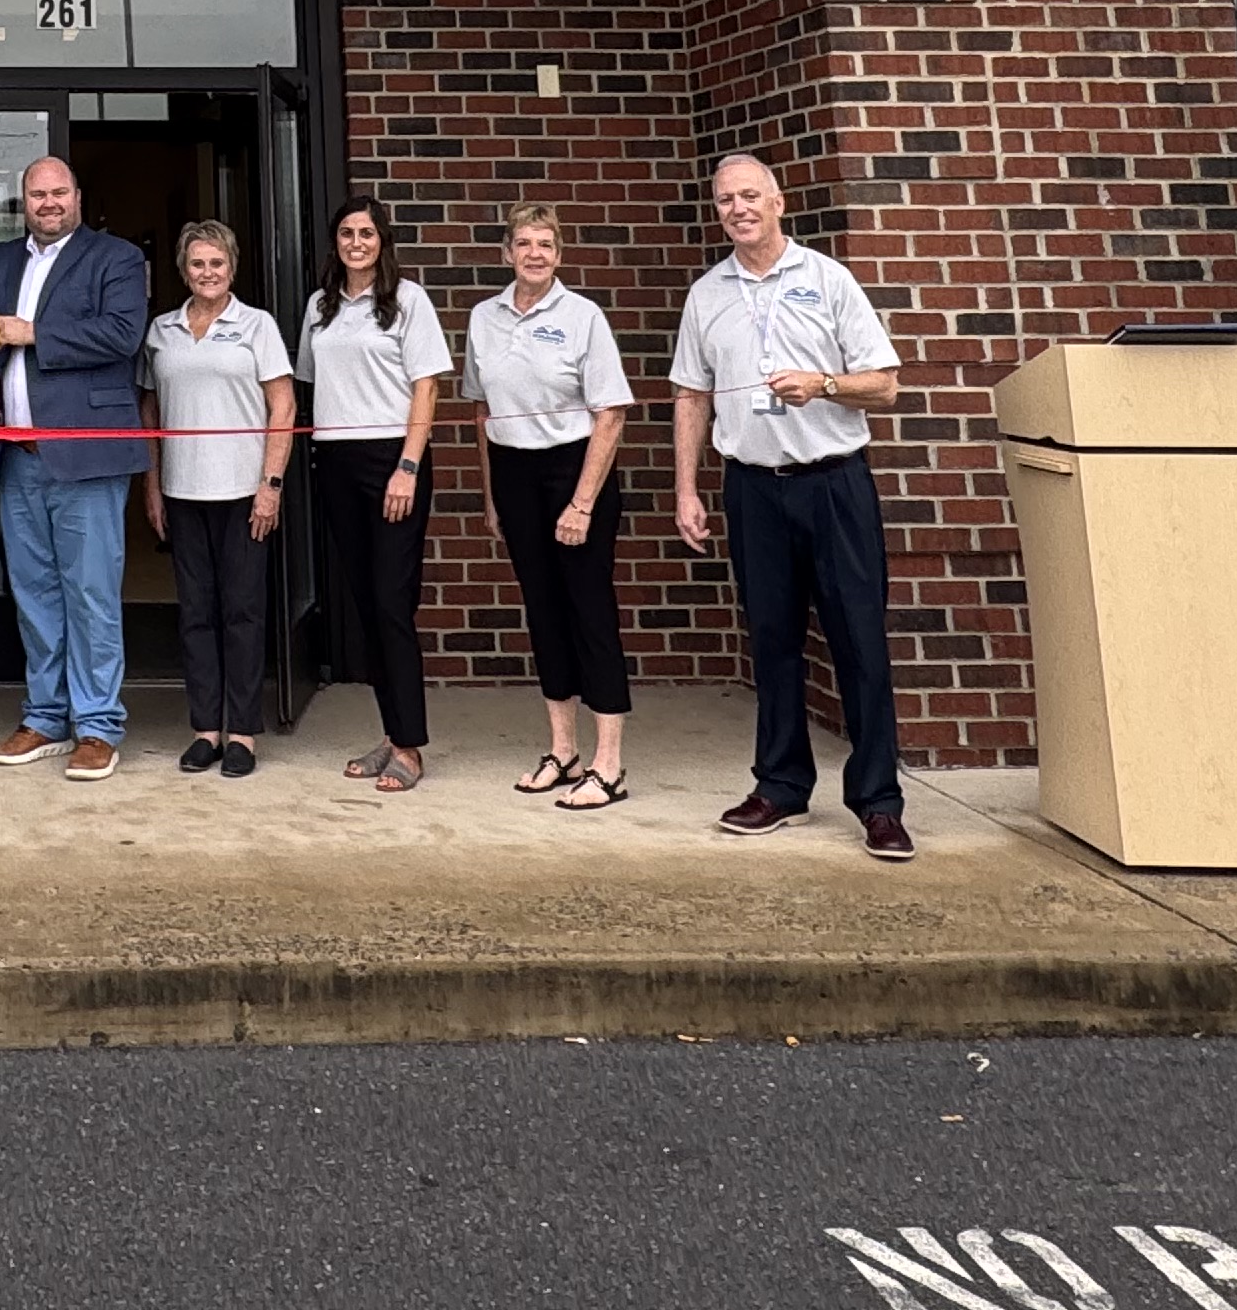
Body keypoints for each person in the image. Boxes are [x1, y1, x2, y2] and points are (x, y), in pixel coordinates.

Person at [672, 152, 913, 861]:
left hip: (832, 482)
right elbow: (691, 395)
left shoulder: (826, 279)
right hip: (753, 486)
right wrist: (688, 489)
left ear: (778, 203)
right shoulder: (707, 294)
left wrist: (825, 384)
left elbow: (887, 385)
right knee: (771, 641)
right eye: (724, 201)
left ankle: (879, 801)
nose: (738, 209)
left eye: (750, 196)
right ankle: (779, 785)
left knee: (858, 642)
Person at [0, 154, 149, 781]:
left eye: (58, 192)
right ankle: (45, 716)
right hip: (16, 455)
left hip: (86, 452)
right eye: (37, 194)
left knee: (91, 591)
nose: (48, 203)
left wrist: (32, 332)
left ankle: (97, 725)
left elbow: (122, 335)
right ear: (25, 202)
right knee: (35, 593)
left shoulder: (115, 258)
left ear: (76, 196)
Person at [466, 203, 638, 810]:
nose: (534, 253)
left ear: (559, 255)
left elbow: (610, 413)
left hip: (575, 470)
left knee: (588, 612)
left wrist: (582, 503)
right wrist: (492, 499)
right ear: (505, 252)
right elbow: (483, 413)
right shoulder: (483, 318)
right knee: (542, 612)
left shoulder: (583, 317)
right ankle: (563, 750)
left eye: (546, 244)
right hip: (514, 474)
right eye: (523, 243)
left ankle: (608, 763)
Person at [300, 195, 448, 793]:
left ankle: (410, 746)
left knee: (392, 604)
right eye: (345, 232)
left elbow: (428, 387)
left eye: (366, 233)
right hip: (337, 458)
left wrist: (407, 467)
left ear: (382, 240)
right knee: (366, 607)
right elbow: (311, 383)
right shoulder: (320, 305)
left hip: (394, 459)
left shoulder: (408, 300)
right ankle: (391, 734)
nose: (355, 242)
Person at [138, 218, 292, 777]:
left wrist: (270, 486)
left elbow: (284, 407)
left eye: (217, 263)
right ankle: (205, 729)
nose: (208, 273)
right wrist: (152, 486)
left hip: (243, 492)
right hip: (183, 490)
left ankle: (243, 734)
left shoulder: (257, 326)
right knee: (196, 615)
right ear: (184, 271)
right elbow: (149, 412)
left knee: (243, 613)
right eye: (198, 264)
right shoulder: (162, 330)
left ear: (233, 268)